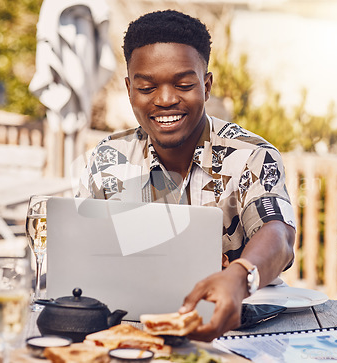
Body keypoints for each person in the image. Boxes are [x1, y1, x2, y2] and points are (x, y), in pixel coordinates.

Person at [77, 9, 296, 342]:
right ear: (129, 89)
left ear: (206, 86)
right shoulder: (107, 159)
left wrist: (239, 278)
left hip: (240, 334)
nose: (165, 100)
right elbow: (82, 251)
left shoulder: (251, 156)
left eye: (183, 84)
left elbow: (278, 235)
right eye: (147, 87)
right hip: (130, 335)